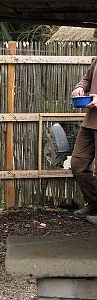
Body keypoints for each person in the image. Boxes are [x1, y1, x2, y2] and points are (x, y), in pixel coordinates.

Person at [71, 57, 97, 224]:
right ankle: (95, 203)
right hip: (91, 121)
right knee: (78, 164)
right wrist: (80, 87)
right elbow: (87, 78)